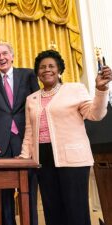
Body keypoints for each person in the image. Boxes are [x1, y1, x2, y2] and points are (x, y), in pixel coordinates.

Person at [18, 49, 112, 225]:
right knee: (52, 210)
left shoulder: (75, 89)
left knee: (76, 211)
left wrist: (101, 89)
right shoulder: (32, 98)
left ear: (59, 70)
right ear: (37, 73)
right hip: (43, 159)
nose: (47, 69)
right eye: (42, 67)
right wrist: (24, 158)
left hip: (73, 160)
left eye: (51, 66)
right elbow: (29, 132)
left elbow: (95, 114)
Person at [0, 42, 39, 225]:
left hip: (26, 139)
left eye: (5, 53)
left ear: (12, 56)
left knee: (29, 190)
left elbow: (37, 104)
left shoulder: (28, 74)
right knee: (4, 193)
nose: (1, 58)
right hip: (1, 143)